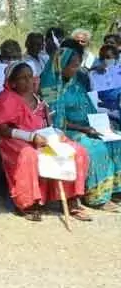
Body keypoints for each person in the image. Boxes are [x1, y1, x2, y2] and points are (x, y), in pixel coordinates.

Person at [0, 62, 91, 222]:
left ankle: (72, 198)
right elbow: (3, 129)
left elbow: (48, 124)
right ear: (13, 82)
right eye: (23, 78)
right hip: (14, 138)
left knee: (78, 150)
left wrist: (56, 134)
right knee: (29, 155)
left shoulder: (37, 97)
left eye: (30, 77)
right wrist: (30, 137)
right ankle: (27, 203)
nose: (29, 81)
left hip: (41, 137)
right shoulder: (6, 99)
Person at [44, 48, 121, 209]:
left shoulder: (76, 83)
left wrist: (102, 125)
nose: (76, 69)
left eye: (78, 65)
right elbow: (54, 120)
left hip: (88, 126)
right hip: (66, 130)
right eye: (73, 66)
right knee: (96, 147)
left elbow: (89, 107)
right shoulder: (50, 88)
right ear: (61, 65)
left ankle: (115, 190)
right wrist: (84, 129)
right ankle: (97, 196)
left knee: (117, 140)